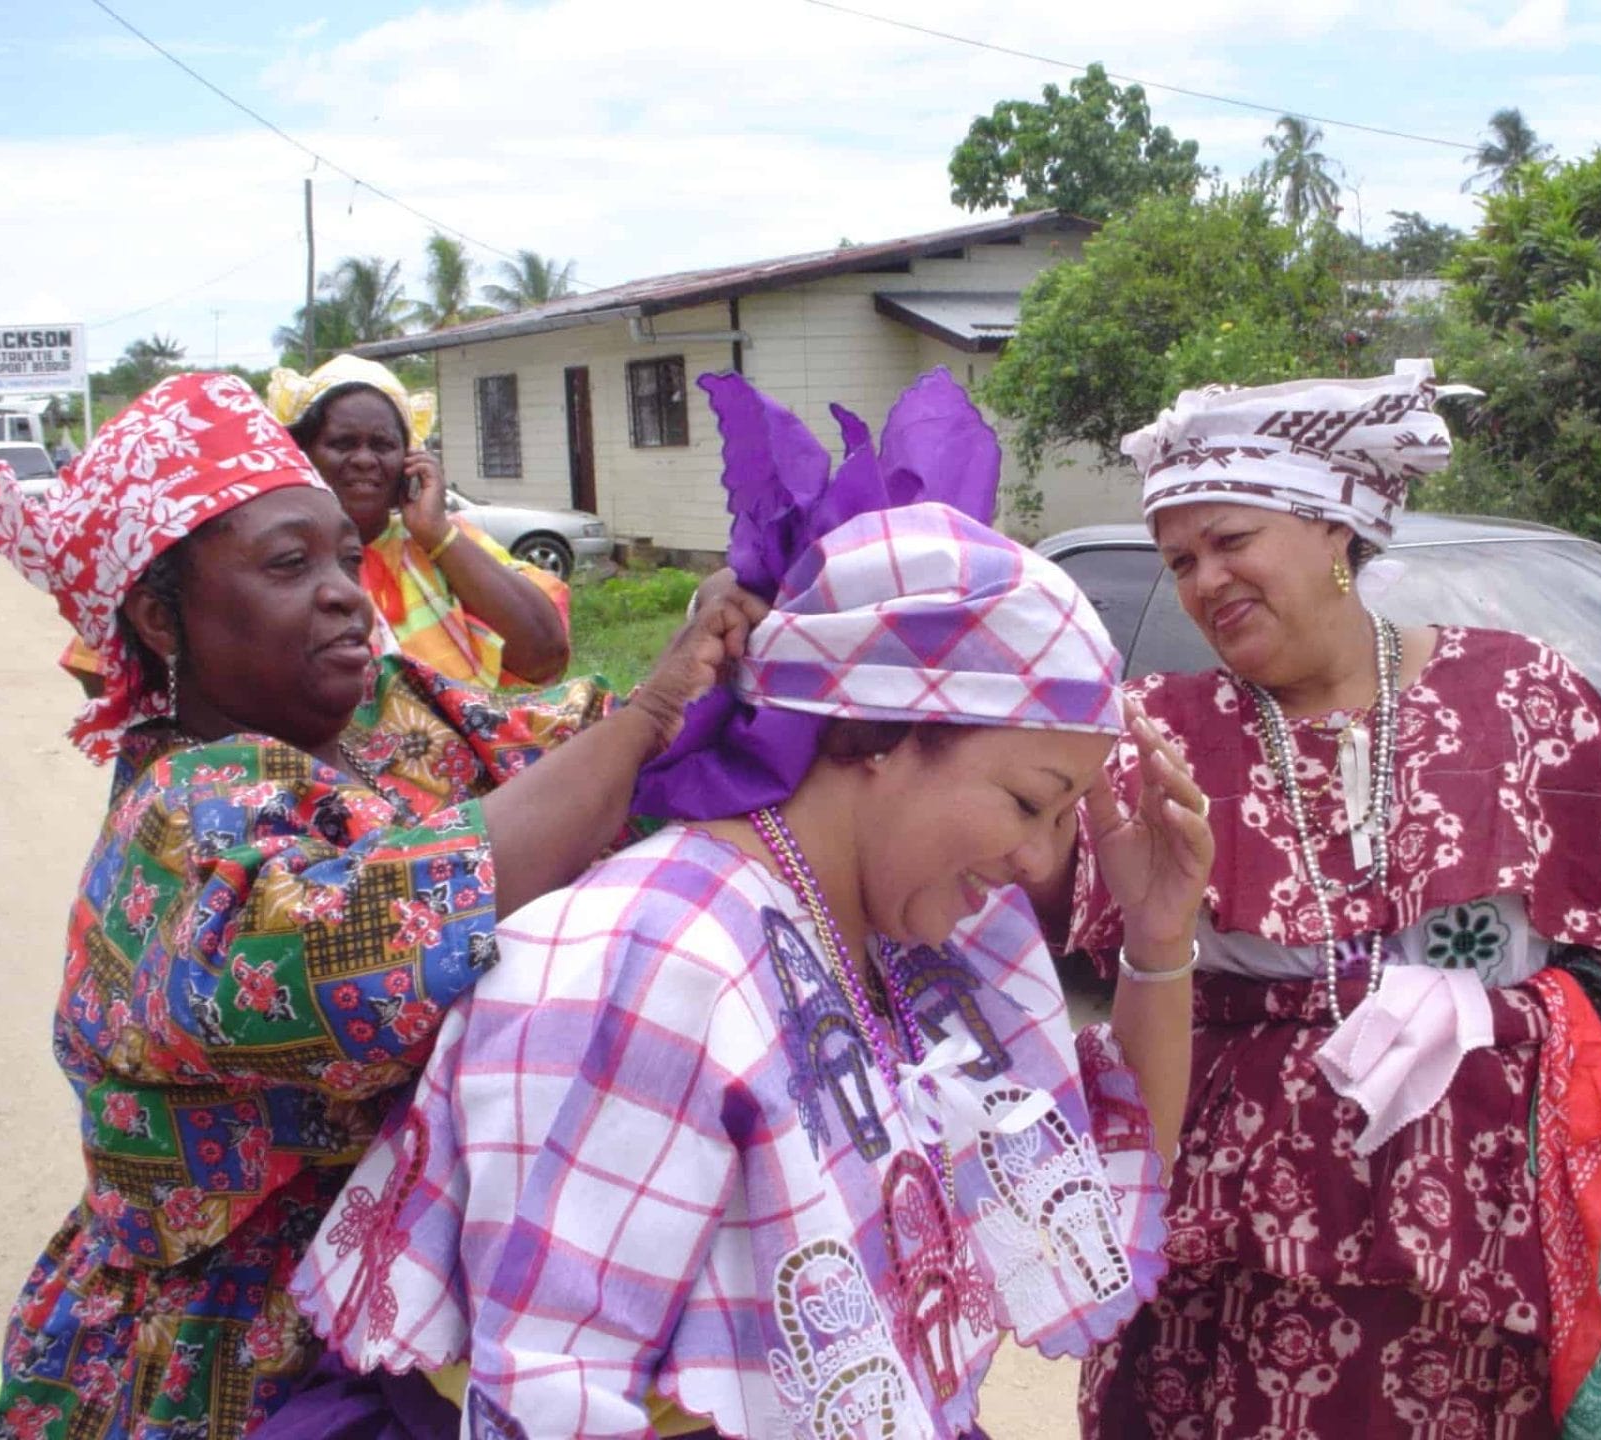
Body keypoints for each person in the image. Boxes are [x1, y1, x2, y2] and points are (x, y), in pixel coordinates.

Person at [290, 370, 1213, 1439]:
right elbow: (549, 1392)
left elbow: (1088, 1180)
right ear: (871, 733)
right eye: (1028, 802)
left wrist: (1157, 942)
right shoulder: (647, 961)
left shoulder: (946, 941)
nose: (1042, 860)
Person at [1045, 363, 1601, 1438]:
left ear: (1334, 530)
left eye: (1230, 540)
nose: (1205, 581)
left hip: (1521, 1216)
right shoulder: (1152, 733)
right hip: (1255, 1240)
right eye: (1180, 561)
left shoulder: (1522, 697)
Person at [0, 374, 761, 1440]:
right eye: (289, 566)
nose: (348, 591)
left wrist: (726, 656)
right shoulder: (182, 816)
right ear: (162, 618)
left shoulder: (399, 717)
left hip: (431, 1320)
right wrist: (657, 714)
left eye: (346, 557)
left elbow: (578, 752)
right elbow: (370, 949)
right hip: (239, 1363)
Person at [58, 355, 572, 697]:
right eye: (343, 444)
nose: (366, 460)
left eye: (384, 445)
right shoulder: (244, 547)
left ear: (411, 460)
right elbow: (99, 666)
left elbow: (545, 657)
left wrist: (437, 535)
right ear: (298, 452)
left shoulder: (444, 546)